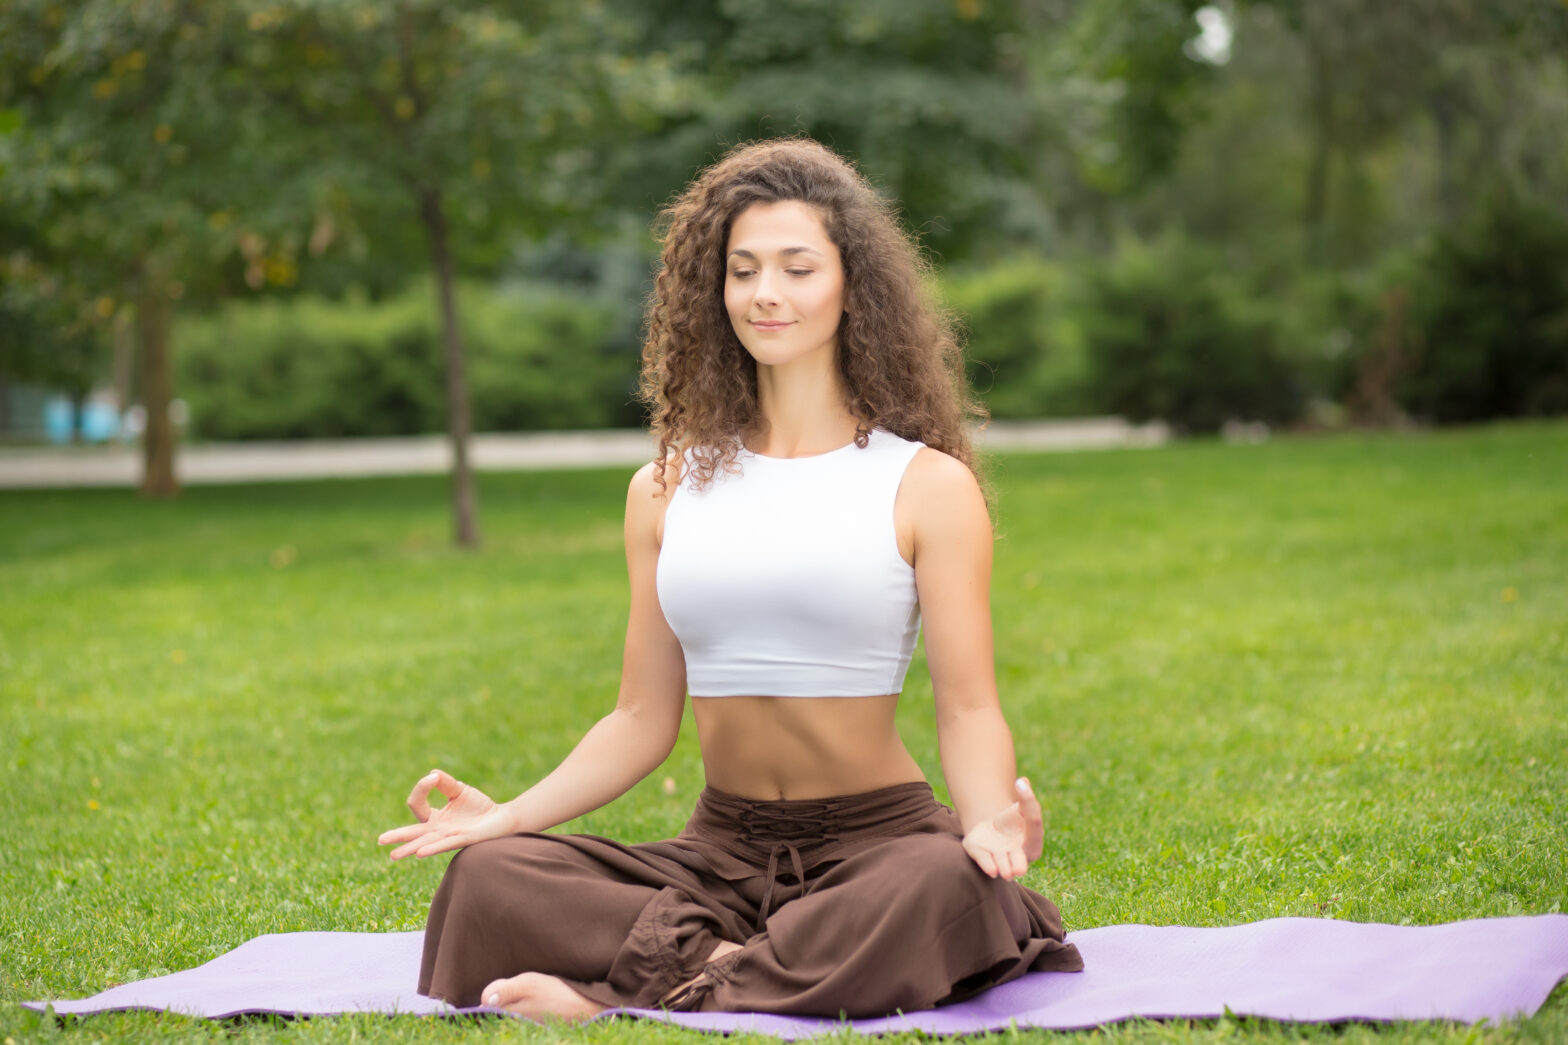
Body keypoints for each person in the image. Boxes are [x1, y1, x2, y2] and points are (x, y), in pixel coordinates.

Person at [377, 138, 1084, 1020]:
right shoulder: (664, 488)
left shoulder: (926, 485)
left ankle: (639, 993)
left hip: (878, 842)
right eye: (743, 270)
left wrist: (984, 823)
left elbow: (968, 706)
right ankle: (745, 967)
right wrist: (511, 815)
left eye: (797, 268)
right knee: (491, 877)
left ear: (850, 285)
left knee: (951, 882)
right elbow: (641, 717)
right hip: (717, 852)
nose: (766, 294)